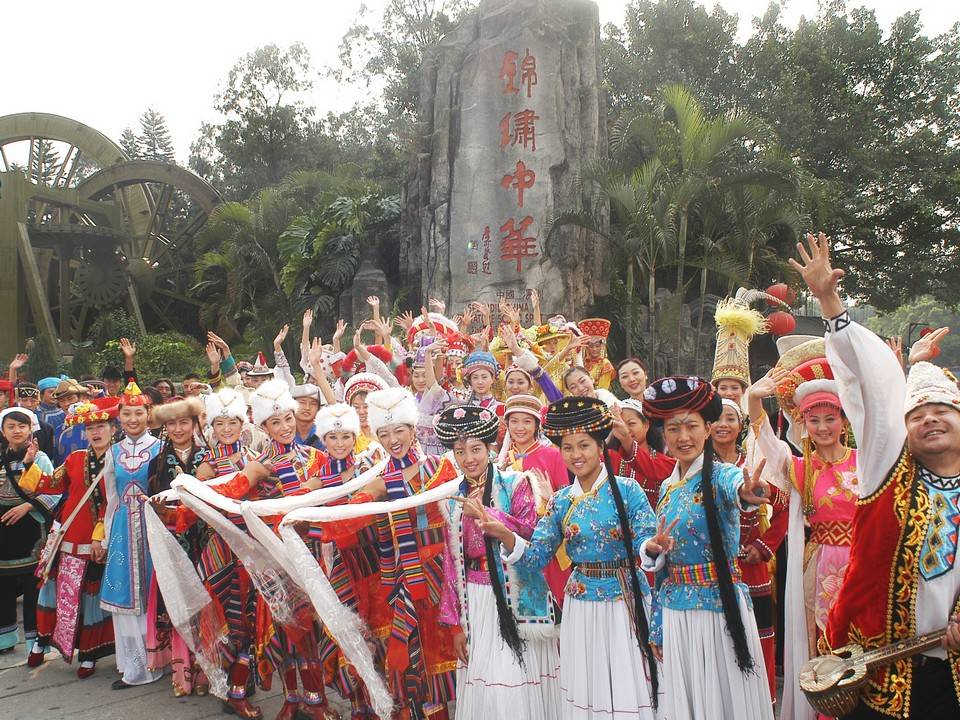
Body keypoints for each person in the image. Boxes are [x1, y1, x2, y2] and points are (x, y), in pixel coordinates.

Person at [792, 232, 960, 718]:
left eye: (942, 410)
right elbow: (877, 388)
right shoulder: (890, 473)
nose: (929, 418)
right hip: (885, 674)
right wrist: (829, 300)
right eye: (917, 413)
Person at [482, 396, 666, 720]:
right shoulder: (561, 500)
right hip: (580, 604)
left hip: (624, 598)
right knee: (586, 681)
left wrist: (651, 546)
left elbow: (644, 537)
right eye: (568, 448)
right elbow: (537, 555)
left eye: (583, 445)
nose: (576, 455)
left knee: (628, 678)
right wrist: (508, 536)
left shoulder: (628, 489)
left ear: (600, 447)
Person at [322, 387, 459, 720]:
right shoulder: (379, 480)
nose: (393, 439)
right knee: (408, 661)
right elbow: (349, 517)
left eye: (399, 430)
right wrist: (309, 520)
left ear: (413, 431)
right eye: (384, 433)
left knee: (437, 658)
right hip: (401, 579)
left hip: (440, 578)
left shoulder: (442, 470)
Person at [642, 376, 774, 720]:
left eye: (691, 427)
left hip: (718, 612)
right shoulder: (669, 487)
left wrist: (749, 493)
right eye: (673, 429)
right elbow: (662, 570)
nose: (683, 437)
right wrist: (656, 624)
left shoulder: (720, 475)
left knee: (722, 698)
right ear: (664, 436)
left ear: (707, 429)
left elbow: (738, 489)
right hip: (676, 612)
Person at [747, 343, 858, 719]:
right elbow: (765, 441)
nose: (823, 427)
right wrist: (754, 400)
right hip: (822, 565)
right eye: (815, 420)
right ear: (803, 424)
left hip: (863, 561)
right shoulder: (799, 467)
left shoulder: (865, 462)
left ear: (843, 420)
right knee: (826, 642)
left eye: (831, 418)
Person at [435, 405, 560, 719]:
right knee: (485, 684)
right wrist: (455, 625)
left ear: (490, 448)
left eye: (476, 449)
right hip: (475, 601)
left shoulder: (516, 483)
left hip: (513, 598)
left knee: (511, 681)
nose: (469, 459)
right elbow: (451, 564)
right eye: (460, 452)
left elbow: (533, 534)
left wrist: (489, 515)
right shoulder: (451, 499)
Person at [21, 398, 117, 677]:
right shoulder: (75, 459)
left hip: (102, 539)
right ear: (84, 433)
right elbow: (49, 485)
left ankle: (89, 653)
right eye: (90, 428)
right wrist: (30, 464)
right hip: (68, 537)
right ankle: (41, 642)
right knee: (54, 591)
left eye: (101, 426)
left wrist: (104, 534)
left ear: (112, 428)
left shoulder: (121, 461)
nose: (95, 432)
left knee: (91, 595)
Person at [711, 398, 788, 704]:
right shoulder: (695, 468)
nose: (722, 424)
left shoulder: (754, 462)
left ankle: (761, 705)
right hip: (710, 573)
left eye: (730, 418)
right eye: (716, 419)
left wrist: (763, 546)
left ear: (741, 426)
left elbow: (783, 506)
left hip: (751, 570)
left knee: (758, 642)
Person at [100, 381, 165, 689]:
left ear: (147, 414)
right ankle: (133, 665)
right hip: (123, 530)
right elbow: (111, 499)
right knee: (126, 595)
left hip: (153, 527)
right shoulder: (113, 452)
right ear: (119, 416)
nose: (133, 419)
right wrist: (105, 535)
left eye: (138, 413)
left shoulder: (160, 447)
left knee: (153, 593)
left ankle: (159, 660)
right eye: (127, 414)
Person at [147, 395, 209, 697]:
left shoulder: (209, 457)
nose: (178, 428)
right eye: (171, 423)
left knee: (208, 606)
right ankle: (183, 674)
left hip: (207, 542)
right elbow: (151, 502)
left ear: (194, 423)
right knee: (180, 608)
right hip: (175, 543)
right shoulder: (157, 462)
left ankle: (208, 672)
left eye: (184, 421)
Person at [0, 407, 58, 655]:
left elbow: (54, 492)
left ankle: (37, 641)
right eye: (11, 426)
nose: (16, 431)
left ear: (30, 429)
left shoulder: (41, 457)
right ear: (3, 431)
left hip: (32, 526)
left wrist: (26, 506)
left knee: (33, 585)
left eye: (21, 426)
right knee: (3, 587)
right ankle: (5, 639)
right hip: (4, 529)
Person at [608, 399, 676, 509]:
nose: (625, 429)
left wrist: (626, 440)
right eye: (621, 424)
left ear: (646, 425)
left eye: (631, 423)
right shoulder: (610, 458)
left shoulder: (664, 462)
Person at [577, 319, 616, 390]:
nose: (594, 349)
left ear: (602, 347)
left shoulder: (605, 364)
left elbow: (603, 389)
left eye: (597, 346)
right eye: (591, 346)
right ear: (587, 347)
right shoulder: (583, 362)